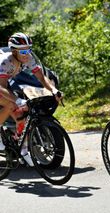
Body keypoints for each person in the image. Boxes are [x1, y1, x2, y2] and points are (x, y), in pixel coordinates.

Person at [0, 32, 62, 166]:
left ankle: (23, 151)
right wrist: (16, 100)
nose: (27, 54)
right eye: (23, 51)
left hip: (3, 85)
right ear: (14, 51)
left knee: (22, 115)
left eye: (29, 49)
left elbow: (41, 77)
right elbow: (1, 88)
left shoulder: (27, 59)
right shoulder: (5, 61)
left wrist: (53, 90)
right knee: (11, 105)